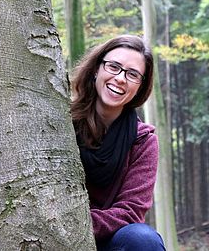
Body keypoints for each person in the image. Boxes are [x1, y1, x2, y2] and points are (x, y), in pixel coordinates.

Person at [71, 35, 166, 251]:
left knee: (142, 239)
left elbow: (130, 211)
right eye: (113, 67)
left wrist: (76, 224)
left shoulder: (143, 141)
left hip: (110, 242)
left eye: (132, 74)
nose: (121, 78)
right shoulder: (60, 123)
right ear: (97, 69)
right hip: (51, 236)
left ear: (140, 87)